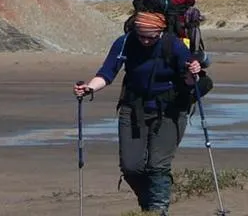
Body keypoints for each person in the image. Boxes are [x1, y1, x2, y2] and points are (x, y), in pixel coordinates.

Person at [74, 11, 204, 215]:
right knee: (130, 166)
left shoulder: (174, 45)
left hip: (170, 110)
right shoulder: (125, 42)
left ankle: (158, 211)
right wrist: (89, 88)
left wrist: (193, 72)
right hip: (132, 108)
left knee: (157, 166)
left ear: (160, 32)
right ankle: (149, 203)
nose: (144, 41)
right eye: (140, 35)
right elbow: (107, 72)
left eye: (150, 37)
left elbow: (190, 81)